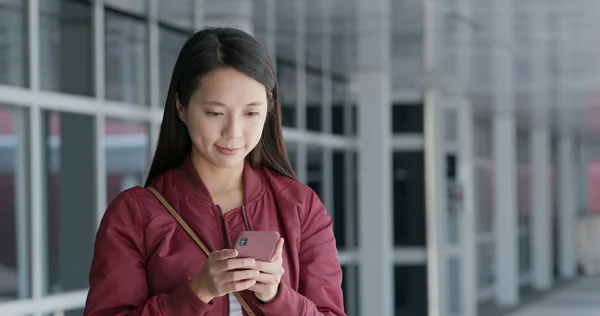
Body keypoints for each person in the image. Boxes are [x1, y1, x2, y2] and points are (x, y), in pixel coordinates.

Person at [83, 27, 346, 316]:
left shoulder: (300, 207)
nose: (233, 133)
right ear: (181, 108)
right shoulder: (134, 215)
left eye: (250, 113)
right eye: (215, 113)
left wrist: (275, 296)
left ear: (269, 110)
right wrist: (198, 292)